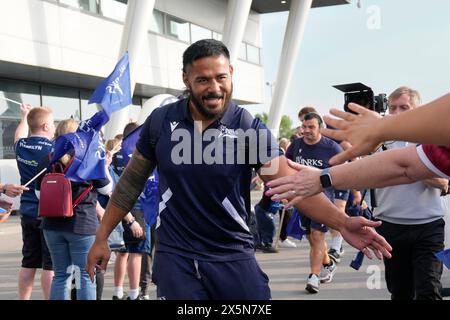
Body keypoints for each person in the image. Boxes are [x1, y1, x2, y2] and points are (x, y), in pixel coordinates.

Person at [87, 39, 391, 300]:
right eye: (203, 80)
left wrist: (343, 221)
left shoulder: (247, 129)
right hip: (175, 256)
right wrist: (102, 237)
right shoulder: (160, 122)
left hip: (231, 255)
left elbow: (291, 183)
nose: (214, 88)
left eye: (221, 77)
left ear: (231, 73)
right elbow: (130, 184)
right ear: (186, 80)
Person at [35, 119, 112, 300]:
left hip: (52, 226)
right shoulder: (89, 158)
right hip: (82, 224)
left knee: (61, 275)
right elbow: (107, 190)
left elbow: (40, 196)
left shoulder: (47, 159)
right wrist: (105, 166)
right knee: (86, 275)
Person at [285, 112, 341, 293]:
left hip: (324, 199)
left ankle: (314, 277)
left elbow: (344, 172)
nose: (306, 130)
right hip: (301, 199)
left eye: (311, 127)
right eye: (304, 126)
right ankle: (328, 263)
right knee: (311, 238)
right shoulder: (296, 145)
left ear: (320, 128)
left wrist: (345, 198)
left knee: (317, 236)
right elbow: (286, 166)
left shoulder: (332, 148)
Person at [318, 93, 450, 166]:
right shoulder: (379, 138)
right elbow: (365, 171)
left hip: (426, 216)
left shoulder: (430, 139)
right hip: (381, 214)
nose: (397, 113)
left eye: (404, 107)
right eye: (392, 108)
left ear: (417, 109)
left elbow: (441, 182)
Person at [14, 104, 55, 300]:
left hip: (27, 211)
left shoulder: (21, 146)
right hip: (48, 213)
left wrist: (24, 117)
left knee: (28, 262)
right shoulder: (54, 150)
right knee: (50, 265)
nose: (54, 127)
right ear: (46, 126)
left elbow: (18, 135)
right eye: (53, 123)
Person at [110, 122, 151, 301]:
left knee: (122, 252)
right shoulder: (139, 155)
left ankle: (118, 291)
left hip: (118, 206)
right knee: (136, 253)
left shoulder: (115, 155)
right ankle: (134, 293)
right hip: (138, 206)